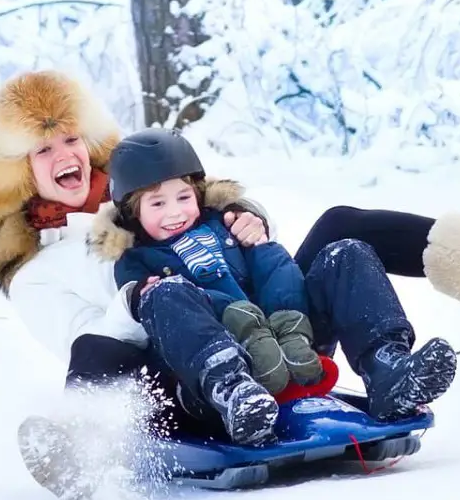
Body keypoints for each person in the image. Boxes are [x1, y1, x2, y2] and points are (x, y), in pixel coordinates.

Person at [0, 69, 460, 500]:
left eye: (69, 139)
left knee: (340, 231)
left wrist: (242, 225)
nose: (64, 156)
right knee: (101, 348)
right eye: (42, 149)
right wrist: (143, 293)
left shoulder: (150, 189)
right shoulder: (36, 271)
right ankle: (84, 454)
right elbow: (89, 345)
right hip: (186, 376)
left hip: (272, 339)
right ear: (21, 171)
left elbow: (252, 264)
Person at [92, 128, 327, 445]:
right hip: (202, 377)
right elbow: (162, 318)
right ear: (133, 213)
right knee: (165, 293)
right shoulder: (135, 261)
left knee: (320, 253)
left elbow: (274, 269)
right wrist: (238, 319)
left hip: (283, 347)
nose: (175, 212)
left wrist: (287, 320)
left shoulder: (225, 224)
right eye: (157, 203)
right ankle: (234, 392)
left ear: (199, 194)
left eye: (184, 197)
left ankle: (386, 362)